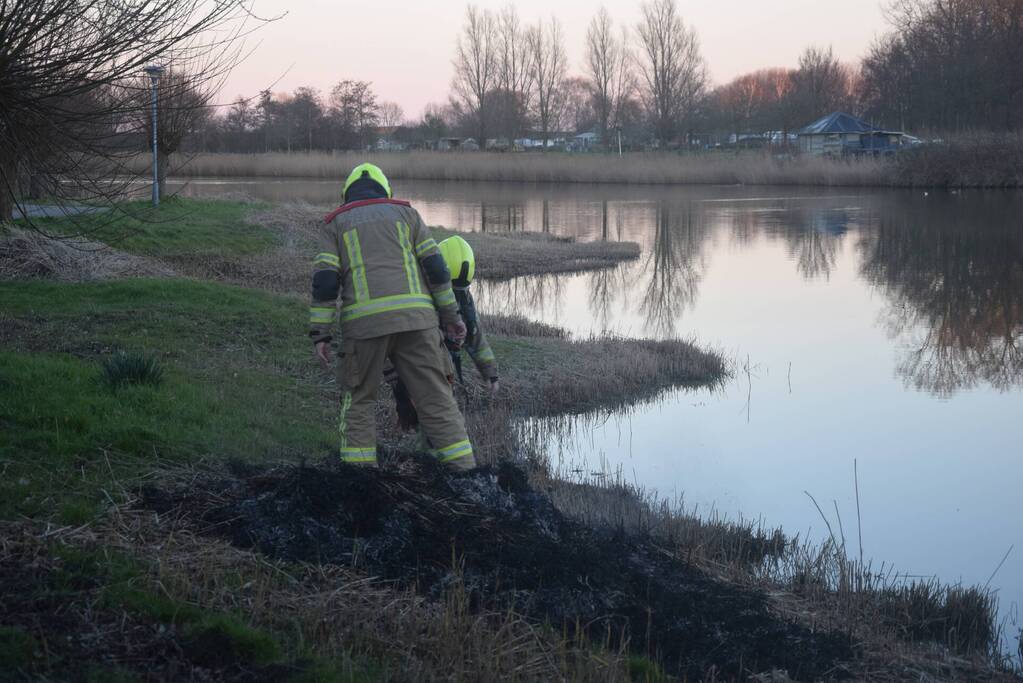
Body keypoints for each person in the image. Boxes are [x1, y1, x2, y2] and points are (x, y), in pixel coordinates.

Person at [308, 163, 476, 470]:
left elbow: (326, 283)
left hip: (365, 327)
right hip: (419, 323)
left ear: (346, 195)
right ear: (387, 192)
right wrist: (452, 316)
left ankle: (360, 483)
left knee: (360, 402)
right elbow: (437, 270)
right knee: (438, 401)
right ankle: (467, 474)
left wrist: (320, 333)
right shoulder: (408, 215)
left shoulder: (334, 223)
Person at [385, 235, 499, 432]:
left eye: (459, 290)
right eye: (451, 289)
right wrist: (397, 381)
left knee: (439, 420)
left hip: (443, 370)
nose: (454, 296)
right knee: (421, 417)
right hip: (420, 367)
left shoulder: (464, 298)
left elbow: (476, 337)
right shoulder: (419, 296)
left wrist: (490, 373)